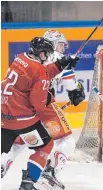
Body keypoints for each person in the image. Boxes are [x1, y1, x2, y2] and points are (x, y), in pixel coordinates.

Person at [1, 30, 85, 190]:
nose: (62, 49)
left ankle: (3, 165)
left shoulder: (20, 57)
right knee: (66, 140)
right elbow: (70, 87)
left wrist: (60, 65)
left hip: (12, 110)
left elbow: (42, 73)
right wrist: (77, 90)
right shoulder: (52, 59)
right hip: (40, 108)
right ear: (47, 48)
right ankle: (49, 172)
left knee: (18, 144)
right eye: (60, 45)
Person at [1, 37, 55, 190]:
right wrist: (49, 97)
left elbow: (29, 77)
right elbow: (38, 103)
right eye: (47, 54)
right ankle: (28, 184)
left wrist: (58, 65)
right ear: (42, 53)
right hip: (24, 121)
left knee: (3, 150)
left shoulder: (19, 58)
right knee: (46, 146)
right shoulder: (40, 70)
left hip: (4, 116)